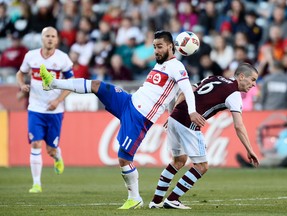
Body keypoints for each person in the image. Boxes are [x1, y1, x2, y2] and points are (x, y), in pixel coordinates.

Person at [39, 30, 206, 209]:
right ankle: (53, 83)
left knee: (124, 159)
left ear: (171, 46)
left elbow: (186, 89)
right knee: (97, 85)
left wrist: (192, 111)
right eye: (154, 47)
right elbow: (169, 96)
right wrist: (172, 112)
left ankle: (134, 198)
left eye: (159, 47)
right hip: (128, 101)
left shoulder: (176, 67)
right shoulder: (160, 65)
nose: (156, 51)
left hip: (140, 117)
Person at [149, 63, 260, 209]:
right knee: (202, 166)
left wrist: (173, 115)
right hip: (189, 123)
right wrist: (250, 149)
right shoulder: (234, 94)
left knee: (179, 161)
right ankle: (172, 199)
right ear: (241, 76)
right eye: (252, 80)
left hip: (175, 118)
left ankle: (156, 201)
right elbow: (239, 125)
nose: (253, 84)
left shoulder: (215, 78)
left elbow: (185, 92)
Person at [16, 27, 74, 193]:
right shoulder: (31, 56)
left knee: (51, 149)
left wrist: (58, 100)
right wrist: (22, 86)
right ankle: (36, 184)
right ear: (42, 38)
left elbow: (71, 84)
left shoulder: (63, 59)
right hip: (35, 108)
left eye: (53, 36)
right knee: (35, 143)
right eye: (47, 36)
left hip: (55, 111)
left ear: (56, 40)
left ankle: (57, 156)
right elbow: (20, 74)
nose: (50, 39)